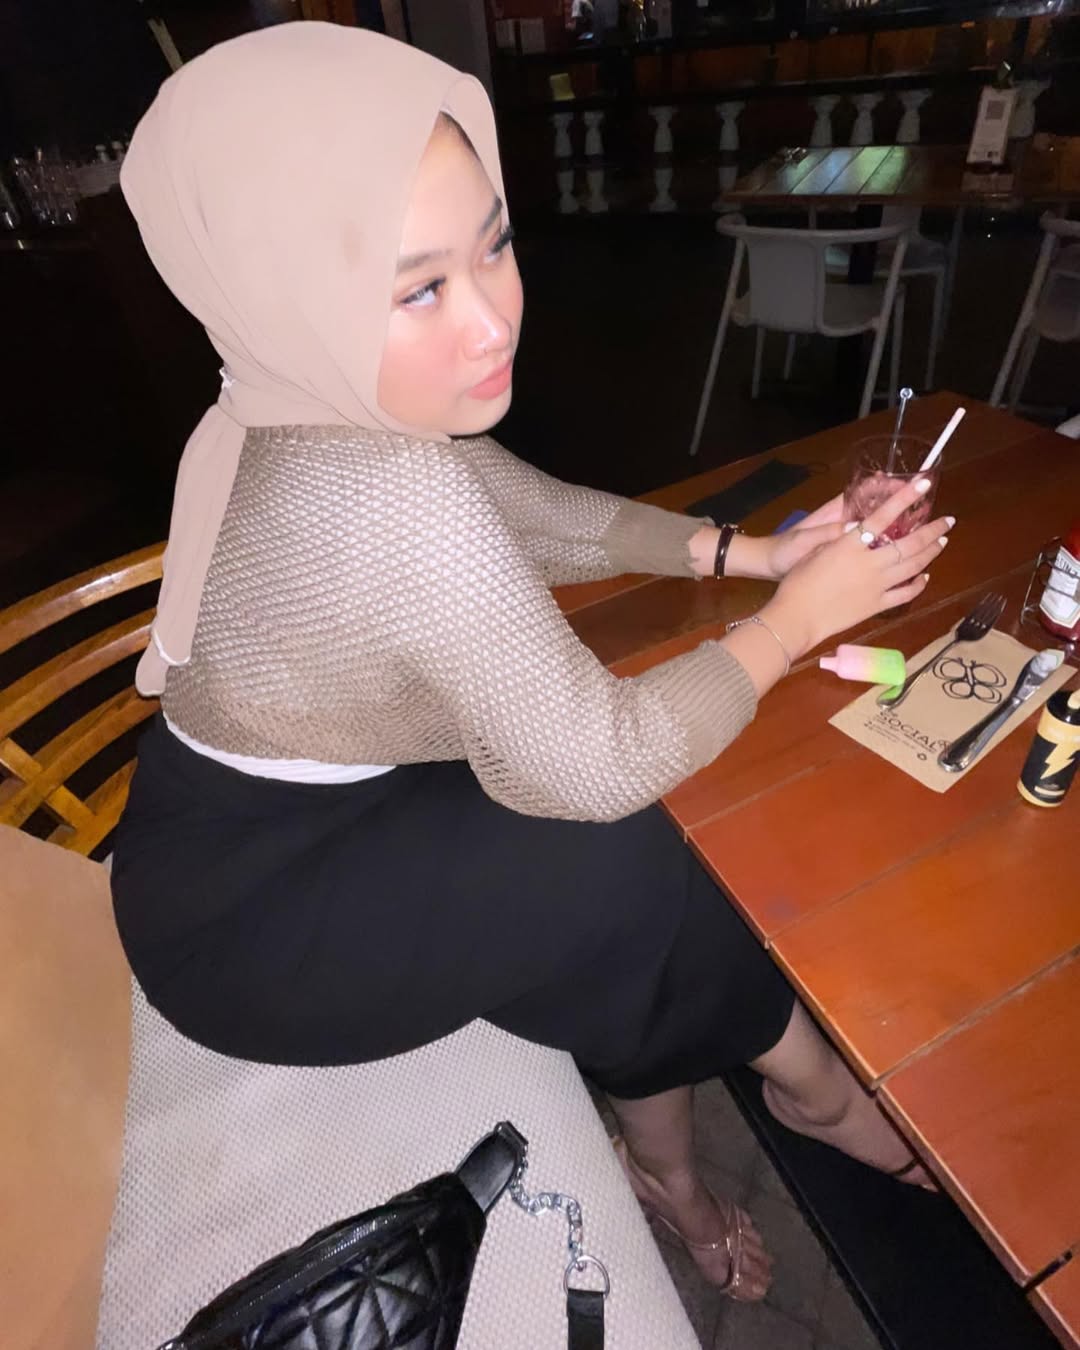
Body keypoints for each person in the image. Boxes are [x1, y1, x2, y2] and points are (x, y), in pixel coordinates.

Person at [110, 23, 953, 1304]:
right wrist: (793, 623)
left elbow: (536, 511)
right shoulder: (377, 485)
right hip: (249, 924)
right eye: (419, 289)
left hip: (247, 823)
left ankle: (706, 1138)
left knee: (616, 864)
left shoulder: (299, 390)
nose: (493, 315)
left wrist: (757, 554)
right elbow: (601, 763)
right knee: (622, 841)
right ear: (294, 283)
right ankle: (806, 1095)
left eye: (492, 245)